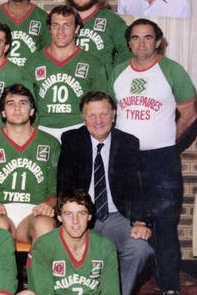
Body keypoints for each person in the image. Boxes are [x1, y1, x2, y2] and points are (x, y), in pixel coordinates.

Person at [111, 18, 197, 294]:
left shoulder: (172, 70)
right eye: (135, 38)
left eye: (148, 37)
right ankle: (126, 285)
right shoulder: (117, 72)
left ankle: (169, 286)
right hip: (126, 159)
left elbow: (190, 114)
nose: (141, 43)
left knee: (163, 223)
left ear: (158, 40)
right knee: (127, 219)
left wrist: (167, 143)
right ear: (128, 42)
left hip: (160, 160)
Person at [58, 91, 153, 295]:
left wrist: (140, 222)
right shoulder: (71, 140)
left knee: (140, 249)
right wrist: (74, 218)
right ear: (84, 119)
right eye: (91, 115)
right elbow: (64, 186)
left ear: (114, 115)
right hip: (81, 215)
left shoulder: (128, 143)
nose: (98, 121)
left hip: (116, 215)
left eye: (103, 114)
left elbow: (138, 188)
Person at [0, 84, 59, 244]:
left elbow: (55, 190)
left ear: (32, 110)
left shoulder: (50, 143)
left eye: (23, 103)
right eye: (10, 103)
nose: (17, 108)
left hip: (34, 212)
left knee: (45, 225)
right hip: (1, 211)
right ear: (2, 112)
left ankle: (34, 269)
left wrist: (47, 204)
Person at [24, 5, 108, 141]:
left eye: (67, 25)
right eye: (56, 25)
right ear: (49, 28)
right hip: (43, 129)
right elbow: (25, 101)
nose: (60, 31)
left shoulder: (93, 63)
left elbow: (101, 104)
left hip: (78, 128)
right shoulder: (33, 62)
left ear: (77, 29)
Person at [26, 188, 119, 295]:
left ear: (89, 216)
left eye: (81, 214)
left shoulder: (105, 247)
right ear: (60, 217)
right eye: (68, 214)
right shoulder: (44, 245)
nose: (75, 221)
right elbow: (44, 292)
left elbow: (111, 292)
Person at [66, 0, 130, 73]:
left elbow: (129, 49)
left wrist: (112, 74)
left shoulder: (111, 20)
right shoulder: (61, 20)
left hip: (100, 87)